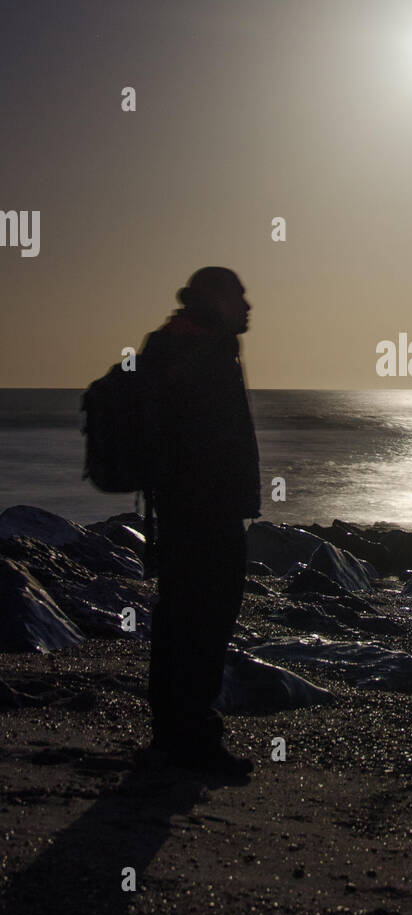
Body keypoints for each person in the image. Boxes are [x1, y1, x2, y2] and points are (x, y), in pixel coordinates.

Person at [137, 267, 261, 778]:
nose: (249, 306)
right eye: (240, 297)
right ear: (217, 300)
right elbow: (210, 437)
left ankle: (172, 732)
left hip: (181, 506)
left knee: (180, 617)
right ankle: (193, 739)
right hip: (204, 510)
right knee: (204, 618)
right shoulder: (203, 349)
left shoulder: (174, 340)